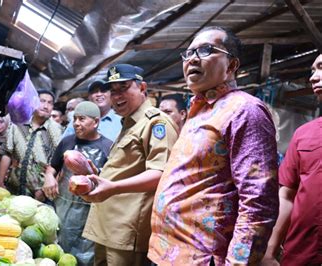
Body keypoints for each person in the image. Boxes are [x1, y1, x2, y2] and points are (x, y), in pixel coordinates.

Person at [148, 26, 279, 265]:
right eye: (188, 54)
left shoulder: (245, 110)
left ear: (231, 66)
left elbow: (258, 201)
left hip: (201, 258)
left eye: (206, 50)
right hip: (166, 253)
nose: (192, 59)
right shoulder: (197, 112)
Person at [76, 64, 179, 266]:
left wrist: (113, 186)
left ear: (142, 87)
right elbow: (128, 168)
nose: (117, 96)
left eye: (123, 87)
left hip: (126, 230)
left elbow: (161, 174)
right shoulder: (129, 123)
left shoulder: (156, 123)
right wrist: (98, 175)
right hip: (107, 225)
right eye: (113, 91)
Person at [262, 54, 322, 266]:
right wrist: (269, 251)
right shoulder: (304, 134)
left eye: (321, 68)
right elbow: (287, 194)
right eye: (313, 71)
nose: (314, 77)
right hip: (302, 255)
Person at [42, 101, 113, 265]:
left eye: (82, 119)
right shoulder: (67, 142)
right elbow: (52, 168)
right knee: (57, 251)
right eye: (75, 119)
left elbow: (109, 182)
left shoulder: (108, 147)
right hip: (63, 209)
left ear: (96, 122)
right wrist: (49, 177)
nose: (76, 123)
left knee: (86, 256)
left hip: (90, 213)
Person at [0, 89, 63, 202]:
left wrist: (44, 191)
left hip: (40, 193)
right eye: (42, 101)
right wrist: (0, 182)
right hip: (13, 188)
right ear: (33, 102)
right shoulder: (17, 125)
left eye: (50, 103)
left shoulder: (58, 131)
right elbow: (7, 154)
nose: (46, 106)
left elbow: (60, 164)